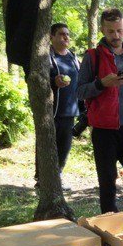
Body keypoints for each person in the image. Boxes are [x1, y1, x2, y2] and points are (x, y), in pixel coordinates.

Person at [77, 8, 123, 213]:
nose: (116, 36)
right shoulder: (93, 56)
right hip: (103, 130)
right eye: (110, 31)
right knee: (107, 182)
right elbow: (79, 92)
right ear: (103, 31)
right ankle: (109, 227)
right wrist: (101, 84)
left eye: (119, 31)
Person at [48, 23, 80, 184]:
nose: (66, 37)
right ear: (51, 37)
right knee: (48, 145)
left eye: (67, 34)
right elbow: (39, 81)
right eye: (61, 34)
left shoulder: (72, 57)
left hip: (70, 110)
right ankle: (43, 178)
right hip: (52, 111)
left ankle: (58, 176)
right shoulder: (47, 57)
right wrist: (54, 81)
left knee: (64, 147)